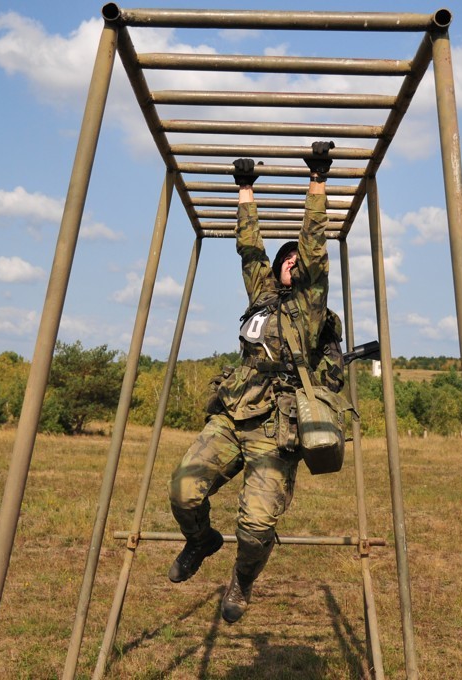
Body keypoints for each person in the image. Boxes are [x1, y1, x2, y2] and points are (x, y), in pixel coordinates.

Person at [167, 141, 342, 624]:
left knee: (256, 526)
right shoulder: (261, 296)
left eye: (297, 261)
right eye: (285, 259)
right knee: (183, 491)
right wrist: (245, 188)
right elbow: (250, 248)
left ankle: (242, 581)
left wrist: (318, 180)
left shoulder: (310, 307)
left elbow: (314, 244)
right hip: (232, 413)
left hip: (275, 429)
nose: (291, 262)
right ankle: (201, 541)